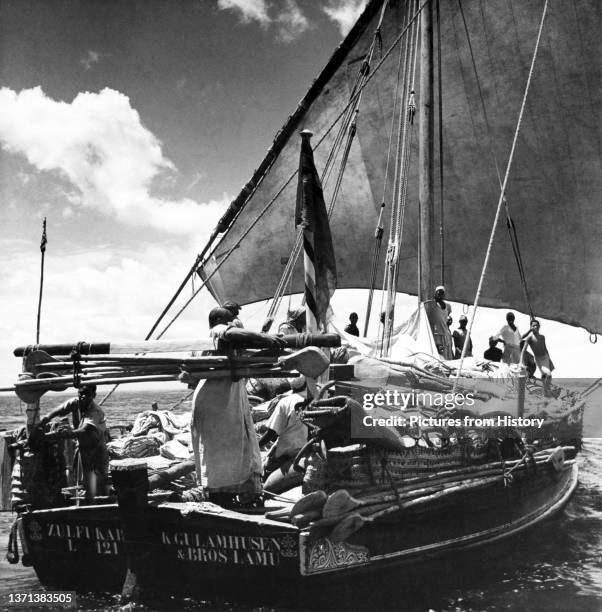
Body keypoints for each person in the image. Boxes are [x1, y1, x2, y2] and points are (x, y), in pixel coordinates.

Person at [191, 307, 286, 507]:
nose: (232, 322)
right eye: (229, 319)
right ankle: (220, 501)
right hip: (215, 401)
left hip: (226, 400)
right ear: (217, 320)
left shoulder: (227, 343)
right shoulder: (217, 331)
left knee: (236, 450)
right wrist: (264, 337)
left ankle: (231, 497)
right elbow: (230, 332)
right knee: (219, 455)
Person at [39, 384, 109, 502]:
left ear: (93, 395)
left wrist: (65, 434)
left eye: (86, 394)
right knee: (86, 480)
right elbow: (58, 410)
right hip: (83, 448)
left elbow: (85, 430)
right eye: (80, 393)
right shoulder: (75, 402)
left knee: (99, 479)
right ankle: (88, 504)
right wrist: (45, 420)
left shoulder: (95, 411)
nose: (82, 396)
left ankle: (103, 504)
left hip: (97, 448)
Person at [259, 390, 309, 494]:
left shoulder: (286, 401)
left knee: (263, 471)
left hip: (285, 454)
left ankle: (260, 494)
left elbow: (271, 433)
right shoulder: (315, 399)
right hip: (305, 452)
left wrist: (256, 446)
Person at [521, 319, 554, 396]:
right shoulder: (529, 339)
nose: (535, 327)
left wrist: (549, 360)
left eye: (537, 325)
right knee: (547, 375)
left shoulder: (542, 337)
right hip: (536, 360)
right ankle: (545, 392)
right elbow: (521, 339)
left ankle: (546, 391)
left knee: (548, 375)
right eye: (533, 326)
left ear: (539, 327)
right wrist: (529, 330)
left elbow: (545, 348)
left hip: (544, 358)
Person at [424, 285, 454, 360]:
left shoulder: (448, 306)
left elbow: (447, 315)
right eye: (438, 293)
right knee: (440, 357)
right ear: (435, 294)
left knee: (448, 357)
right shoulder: (431, 305)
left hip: (446, 335)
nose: (439, 294)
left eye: (441, 293)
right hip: (437, 335)